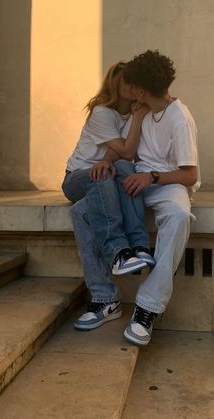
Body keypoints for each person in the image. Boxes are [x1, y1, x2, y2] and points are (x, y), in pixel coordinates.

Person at [71, 50, 200, 345]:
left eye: (132, 87)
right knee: (81, 211)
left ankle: (147, 307)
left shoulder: (179, 117)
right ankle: (105, 299)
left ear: (140, 90)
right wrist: (105, 160)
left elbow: (189, 176)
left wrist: (152, 177)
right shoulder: (140, 110)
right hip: (134, 179)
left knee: (179, 216)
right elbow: (122, 148)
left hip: (166, 182)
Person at [62, 61, 154, 280]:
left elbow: (124, 156)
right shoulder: (101, 112)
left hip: (105, 175)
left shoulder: (132, 112)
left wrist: (106, 159)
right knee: (104, 174)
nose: (133, 85)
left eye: (135, 81)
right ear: (115, 85)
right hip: (76, 178)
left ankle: (140, 246)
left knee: (123, 167)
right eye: (127, 82)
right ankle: (118, 252)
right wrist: (139, 118)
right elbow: (126, 148)